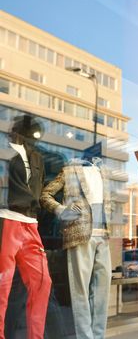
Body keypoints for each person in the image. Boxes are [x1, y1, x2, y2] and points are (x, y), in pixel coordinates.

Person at [40, 156, 113, 339]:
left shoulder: (103, 171)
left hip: (103, 235)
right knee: (80, 292)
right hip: (79, 234)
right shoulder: (69, 170)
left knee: (102, 293)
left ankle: (98, 336)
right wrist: (62, 211)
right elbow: (45, 195)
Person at [0, 115, 52, 339]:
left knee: (42, 282)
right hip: (6, 219)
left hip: (31, 222)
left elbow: (39, 189)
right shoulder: (4, 152)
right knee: (3, 284)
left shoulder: (37, 158)